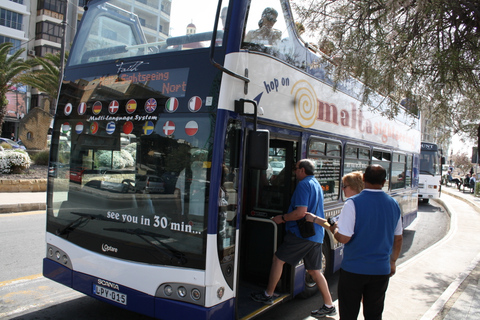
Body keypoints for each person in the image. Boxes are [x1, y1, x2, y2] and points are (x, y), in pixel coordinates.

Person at [251, 159, 336, 318]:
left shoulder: (303, 185)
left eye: (296, 169)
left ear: (303, 170)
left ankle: (268, 295)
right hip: (316, 235)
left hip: (301, 235)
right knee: (315, 271)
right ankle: (329, 305)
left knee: (278, 259)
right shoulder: (316, 183)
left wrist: (282, 218)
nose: (294, 172)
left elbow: (300, 213)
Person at [328, 165, 403, 320]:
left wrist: (334, 229)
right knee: (374, 314)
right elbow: (398, 238)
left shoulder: (352, 203)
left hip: (353, 270)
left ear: (363, 178)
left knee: (349, 314)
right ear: (384, 181)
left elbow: (344, 238)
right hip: (381, 270)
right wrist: (393, 262)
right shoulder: (393, 204)